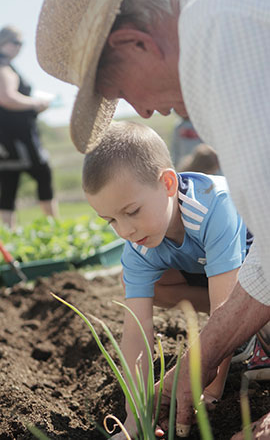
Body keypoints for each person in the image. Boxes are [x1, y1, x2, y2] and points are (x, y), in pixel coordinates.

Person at [35, 0, 270, 437]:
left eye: (121, 90)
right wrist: (136, 413)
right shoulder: (214, 40)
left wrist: (203, 379)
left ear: (135, 43)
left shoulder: (221, 33)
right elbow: (137, 334)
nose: (142, 111)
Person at [82, 120, 252, 438]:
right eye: (111, 221)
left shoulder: (216, 206)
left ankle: (253, 337)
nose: (125, 231)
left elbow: (224, 309)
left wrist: (209, 393)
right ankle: (248, 338)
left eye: (132, 211)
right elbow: (137, 332)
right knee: (149, 286)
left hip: (259, 283)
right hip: (222, 281)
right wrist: (135, 419)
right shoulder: (138, 246)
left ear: (168, 184)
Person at [0, 25, 58, 229]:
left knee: (8, 185)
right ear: (6, 42)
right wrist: (36, 103)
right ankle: (54, 227)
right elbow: (6, 98)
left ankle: (10, 235)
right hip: (20, 139)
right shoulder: (3, 66)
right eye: (17, 43)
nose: (19, 48)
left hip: (6, 141)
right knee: (43, 174)